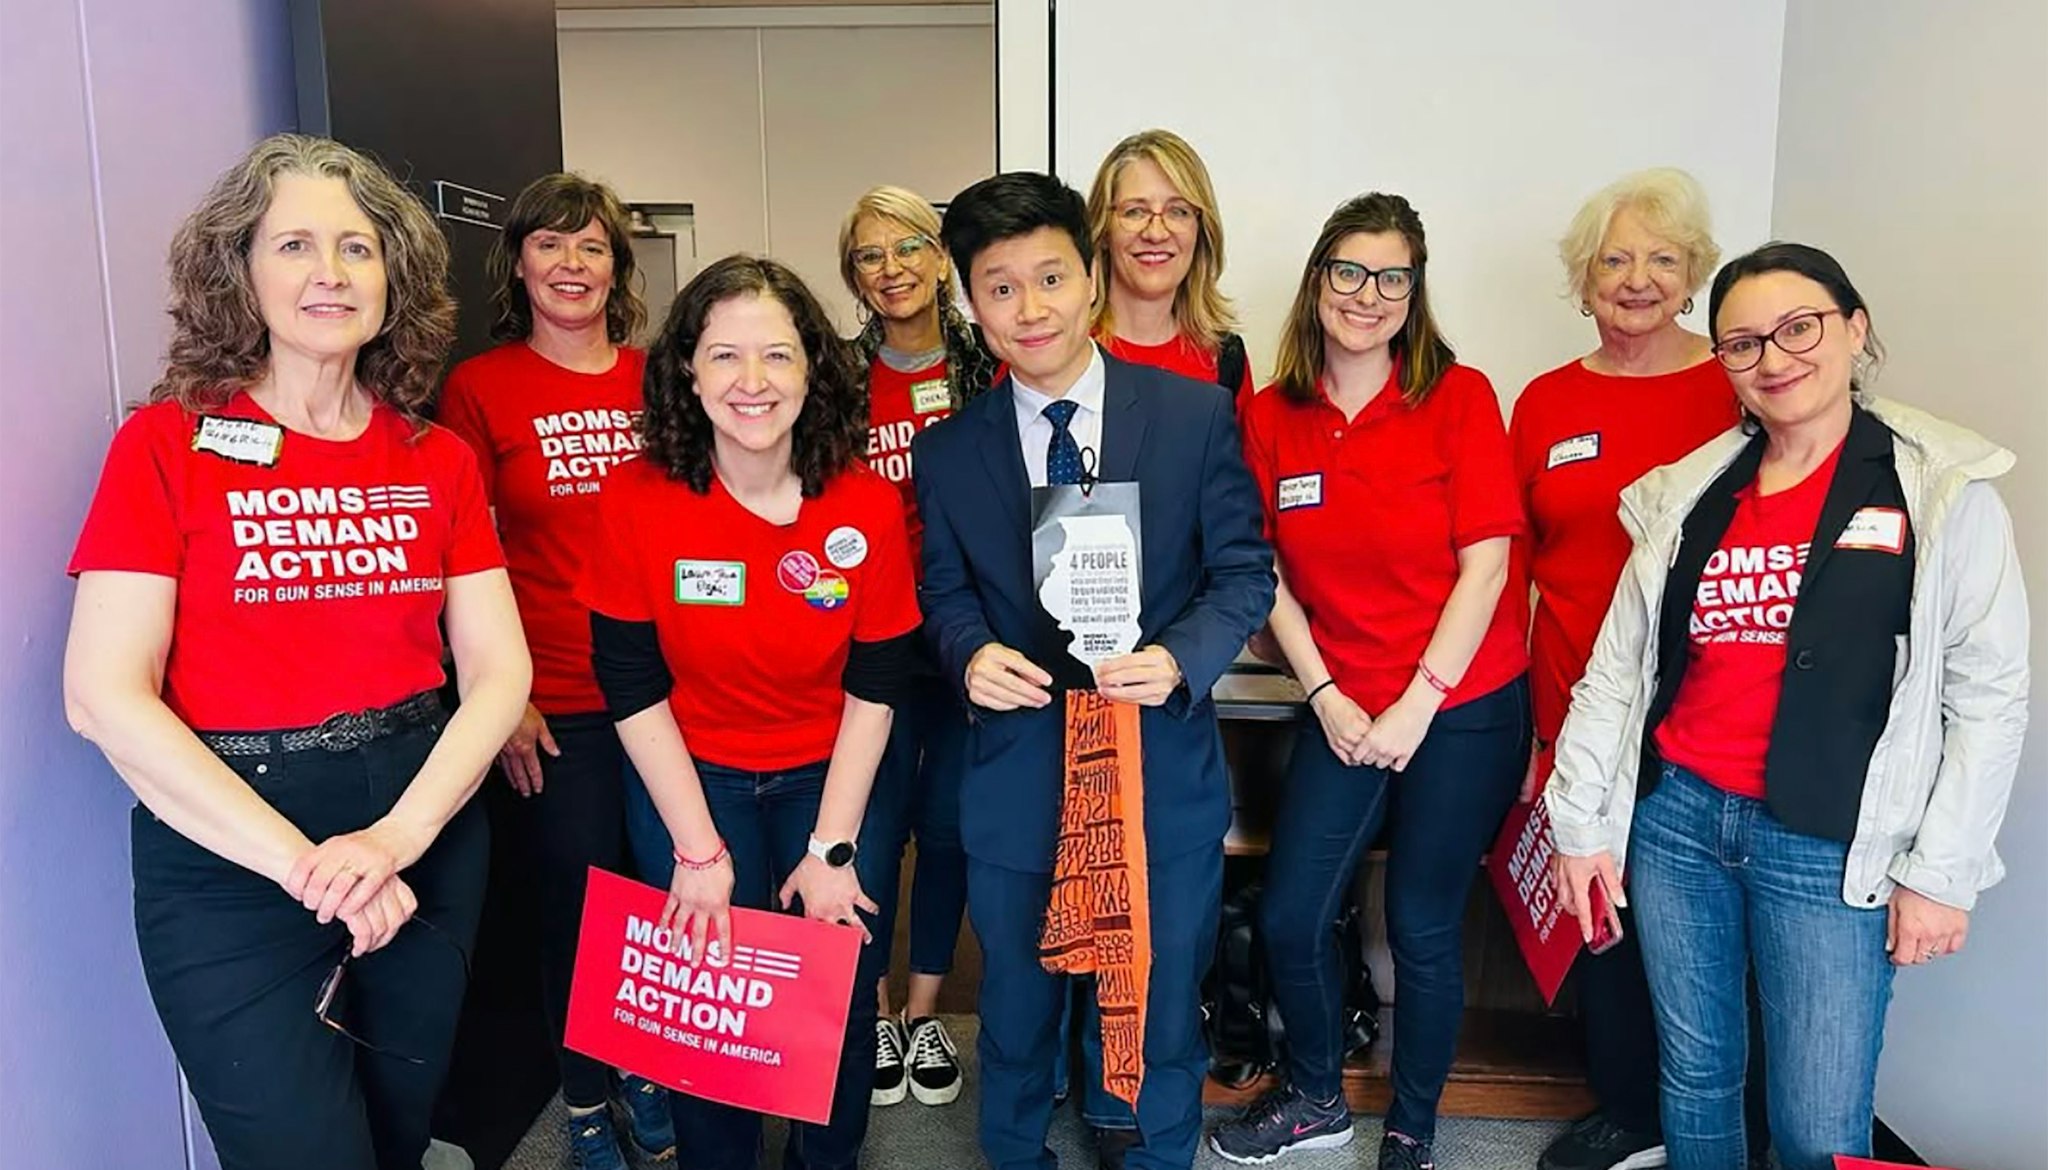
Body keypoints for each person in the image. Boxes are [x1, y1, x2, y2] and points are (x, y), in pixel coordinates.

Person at [62, 133, 531, 1170]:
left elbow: (500, 674)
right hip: (231, 849)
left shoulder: (438, 459)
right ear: (239, 270)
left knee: (400, 1133)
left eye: (358, 248)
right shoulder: (165, 444)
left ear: (393, 277)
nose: (331, 272)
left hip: (419, 824)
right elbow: (101, 695)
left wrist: (396, 841)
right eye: (295, 245)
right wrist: (314, 870)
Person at [1547, 243, 2029, 1170]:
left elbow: (1989, 698)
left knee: (1816, 1119)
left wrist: (1942, 874)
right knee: (1695, 1077)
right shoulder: (1691, 494)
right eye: (1743, 343)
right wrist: (1580, 826)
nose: (1774, 359)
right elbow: (1618, 673)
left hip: (1829, 844)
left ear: (1855, 329)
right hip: (1678, 822)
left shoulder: (1939, 488)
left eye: (1799, 328)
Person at [914, 171, 1275, 1170]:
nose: (1030, 309)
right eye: (999, 287)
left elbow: (1243, 573)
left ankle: (1154, 1152)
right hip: (1018, 773)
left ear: (1090, 278)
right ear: (971, 302)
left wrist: (1179, 657)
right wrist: (969, 653)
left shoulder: (1193, 416)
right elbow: (942, 592)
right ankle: (1015, 1153)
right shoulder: (948, 454)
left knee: (1156, 1009)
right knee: (1016, 1015)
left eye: (1050, 278)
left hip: (1155, 768)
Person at [578, 254, 922, 1170]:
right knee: (708, 999)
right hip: (691, 776)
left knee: (836, 993)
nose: (752, 381)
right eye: (724, 355)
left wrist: (833, 850)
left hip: (834, 776)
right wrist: (697, 852)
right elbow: (630, 684)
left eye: (777, 354)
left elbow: (877, 684)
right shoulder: (635, 499)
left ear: (813, 370)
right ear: (688, 373)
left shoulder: (865, 504)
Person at [1211, 193, 1529, 1170]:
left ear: (1414, 290)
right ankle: (1316, 1097)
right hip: (1342, 703)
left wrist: (1417, 705)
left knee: (1422, 924)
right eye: (1349, 270)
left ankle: (1412, 1127)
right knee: (1290, 913)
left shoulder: (1457, 396)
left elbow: (1486, 567)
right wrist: (1326, 696)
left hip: (1461, 706)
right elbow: (1261, 571)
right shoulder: (1271, 414)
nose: (1369, 294)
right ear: (1318, 280)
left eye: (1393, 276)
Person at [437, 172, 674, 1170]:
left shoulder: (661, 379)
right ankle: (583, 1096)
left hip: (667, 697)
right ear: (519, 263)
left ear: (617, 267)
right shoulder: (480, 389)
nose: (571, 264)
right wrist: (506, 698)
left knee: (662, 900)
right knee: (577, 913)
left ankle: (650, 1071)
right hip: (556, 702)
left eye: (591, 246)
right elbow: (459, 557)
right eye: (550, 244)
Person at [1509, 168, 1738, 1170]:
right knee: (1595, 906)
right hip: (1572, 701)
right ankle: (1629, 1109)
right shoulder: (1544, 402)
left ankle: (1717, 1117)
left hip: (1704, 706)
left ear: (1693, 274)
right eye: (1614, 259)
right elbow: (1513, 570)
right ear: (1583, 278)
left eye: (1661, 259)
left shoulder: (1735, 388)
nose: (1637, 279)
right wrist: (1532, 729)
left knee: (1695, 918)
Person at [835, 184, 997, 1111]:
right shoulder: (835, 376)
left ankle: (925, 1011)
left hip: (967, 633)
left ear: (941, 259)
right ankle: (872, 1011)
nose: (891, 268)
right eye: (870, 254)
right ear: (853, 274)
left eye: (907, 248)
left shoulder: (990, 365)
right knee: (871, 829)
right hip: (872, 638)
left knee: (946, 828)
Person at [1085, 129, 1255, 404]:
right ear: (1103, 229)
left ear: (1201, 229)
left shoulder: (1225, 360)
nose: (1156, 233)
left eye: (1178, 211)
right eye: (1135, 211)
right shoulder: (1056, 346)